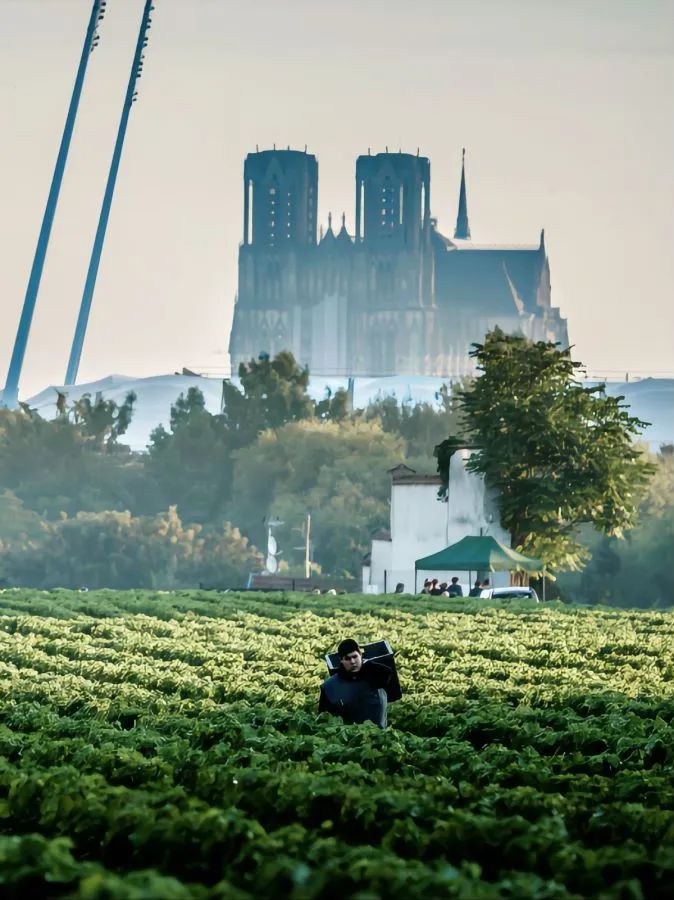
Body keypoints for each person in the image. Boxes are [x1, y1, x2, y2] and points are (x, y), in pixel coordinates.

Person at [318, 638, 392, 728]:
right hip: (348, 737)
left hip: (379, 735)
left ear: (360, 655)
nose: (352, 662)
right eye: (347, 659)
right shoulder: (329, 687)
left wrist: (368, 665)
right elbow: (324, 719)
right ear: (341, 660)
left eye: (355, 657)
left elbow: (389, 676)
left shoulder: (376, 673)